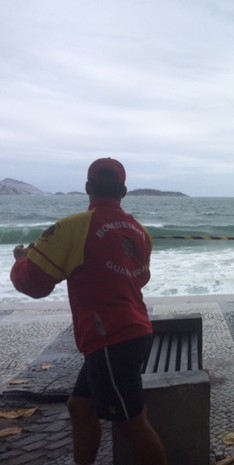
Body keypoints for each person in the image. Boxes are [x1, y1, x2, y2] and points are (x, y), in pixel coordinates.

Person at [11, 158, 167, 465]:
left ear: (87, 188)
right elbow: (140, 277)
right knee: (79, 407)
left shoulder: (72, 228)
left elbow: (35, 285)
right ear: (123, 190)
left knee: (132, 424)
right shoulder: (139, 232)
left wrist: (22, 260)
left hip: (111, 339)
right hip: (132, 332)